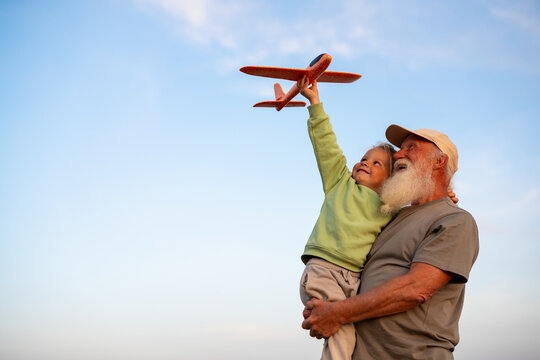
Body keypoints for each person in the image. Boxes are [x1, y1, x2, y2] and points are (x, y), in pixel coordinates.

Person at [301, 119, 479, 359]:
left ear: (439, 161)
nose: (398, 156)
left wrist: (336, 313)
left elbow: (416, 289)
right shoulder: (389, 217)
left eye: (411, 147)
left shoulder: (454, 221)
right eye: (399, 151)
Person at [296, 75, 395, 360]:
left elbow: (421, 201)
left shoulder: (390, 207)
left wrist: (447, 194)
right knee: (344, 333)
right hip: (324, 271)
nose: (366, 162)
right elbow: (326, 145)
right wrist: (315, 103)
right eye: (364, 157)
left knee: (357, 334)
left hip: (355, 281)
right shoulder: (340, 182)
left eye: (377, 163)